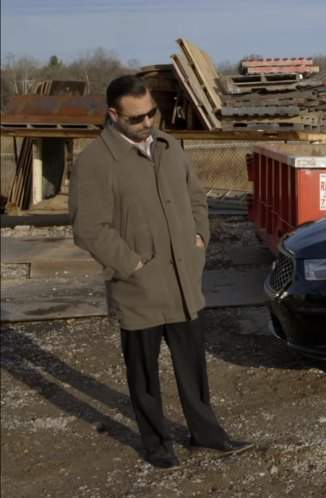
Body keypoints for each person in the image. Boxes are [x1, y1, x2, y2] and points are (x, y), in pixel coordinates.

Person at [69, 75, 252, 469]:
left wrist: (199, 240)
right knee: (144, 374)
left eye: (152, 112)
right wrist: (133, 265)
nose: (148, 122)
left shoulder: (170, 147)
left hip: (184, 281)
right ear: (113, 115)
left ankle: (206, 434)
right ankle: (156, 443)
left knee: (193, 365)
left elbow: (197, 198)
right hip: (139, 287)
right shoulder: (95, 162)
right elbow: (88, 228)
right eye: (137, 118)